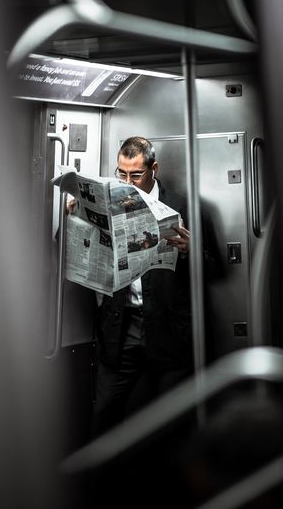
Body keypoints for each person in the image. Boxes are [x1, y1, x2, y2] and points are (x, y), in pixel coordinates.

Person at [92, 136, 194, 437]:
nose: (128, 181)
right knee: (104, 413)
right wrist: (75, 219)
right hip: (121, 324)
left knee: (171, 422)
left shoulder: (182, 205)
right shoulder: (109, 201)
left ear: (154, 169)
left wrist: (189, 250)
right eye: (121, 174)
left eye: (135, 174)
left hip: (167, 326)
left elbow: (214, 267)